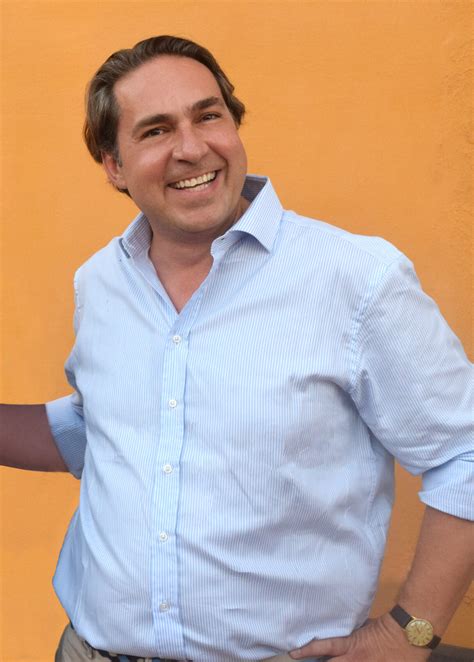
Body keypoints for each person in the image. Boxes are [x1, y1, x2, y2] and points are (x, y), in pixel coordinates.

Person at [1, 35, 472, 662]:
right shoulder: (101, 283)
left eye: (208, 115)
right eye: (155, 130)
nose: (191, 148)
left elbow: (464, 451)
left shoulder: (355, 278)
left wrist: (410, 634)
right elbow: (109, 431)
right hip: (88, 651)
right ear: (113, 166)